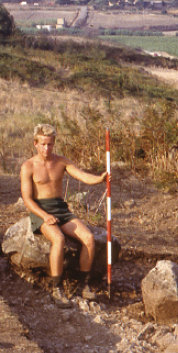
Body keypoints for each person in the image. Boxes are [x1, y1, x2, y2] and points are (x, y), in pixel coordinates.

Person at [20, 123, 108, 307]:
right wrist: (44, 216)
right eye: (43, 144)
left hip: (61, 208)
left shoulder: (62, 161)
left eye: (50, 144)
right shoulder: (28, 166)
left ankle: (83, 285)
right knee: (58, 239)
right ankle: (57, 287)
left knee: (89, 238)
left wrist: (100, 179)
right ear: (35, 143)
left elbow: (83, 176)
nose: (47, 148)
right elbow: (27, 199)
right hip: (40, 209)